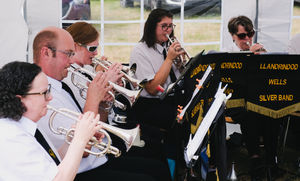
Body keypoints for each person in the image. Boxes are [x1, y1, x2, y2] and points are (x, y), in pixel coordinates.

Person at [34, 26, 171, 181]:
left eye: (72, 54)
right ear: (46, 53)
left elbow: (99, 124)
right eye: (68, 54)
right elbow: (84, 149)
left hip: (98, 157)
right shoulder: (42, 94)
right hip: (82, 169)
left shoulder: (61, 85)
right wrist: (93, 97)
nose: (71, 60)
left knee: (156, 166)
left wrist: (104, 102)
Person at [64, 21, 167, 162]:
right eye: (92, 48)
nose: (96, 53)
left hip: (109, 127)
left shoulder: (87, 69)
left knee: (159, 143)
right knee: (154, 154)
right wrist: (103, 86)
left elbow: (103, 115)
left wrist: (110, 92)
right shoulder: (70, 77)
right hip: (99, 142)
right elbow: (89, 119)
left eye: (97, 47)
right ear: (75, 46)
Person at [0, 61, 101, 181]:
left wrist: (72, 140)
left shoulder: (24, 125)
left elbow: (52, 163)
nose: (50, 97)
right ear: (20, 100)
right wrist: (80, 140)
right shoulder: (11, 138)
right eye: (44, 93)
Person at [128, 8, 188, 179]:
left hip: (169, 98)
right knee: (180, 121)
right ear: (151, 27)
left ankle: (186, 162)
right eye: (164, 26)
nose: (168, 30)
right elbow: (153, 88)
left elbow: (177, 80)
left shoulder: (165, 47)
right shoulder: (140, 50)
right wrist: (169, 59)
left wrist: (181, 64)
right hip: (148, 105)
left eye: (171, 26)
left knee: (195, 111)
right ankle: (173, 167)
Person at [225, 16, 282, 181]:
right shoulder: (228, 53)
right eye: (242, 36)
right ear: (232, 36)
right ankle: (255, 159)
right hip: (235, 102)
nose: (248, 39)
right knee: (250, 113)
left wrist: (264, 61)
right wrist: (249, 58)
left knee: (272, 111)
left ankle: (271, 159)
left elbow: (271, 82)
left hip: (258, 100)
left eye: (250, 34)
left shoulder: (259, 50)